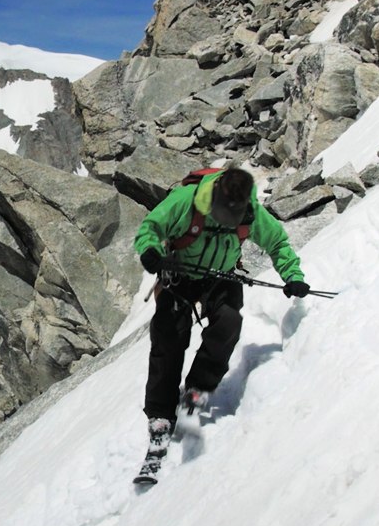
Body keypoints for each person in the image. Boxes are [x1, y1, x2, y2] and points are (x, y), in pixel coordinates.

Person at [132, 166, 309, 470]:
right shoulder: (186, 200)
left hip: (220, 276)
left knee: (228, 324)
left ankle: (197, 390)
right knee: (169, 337)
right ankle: (160, 413)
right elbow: (150, 228)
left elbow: (277, 242)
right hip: (180, 274)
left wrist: (292, 276)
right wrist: (150, 252)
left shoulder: (251, 212)